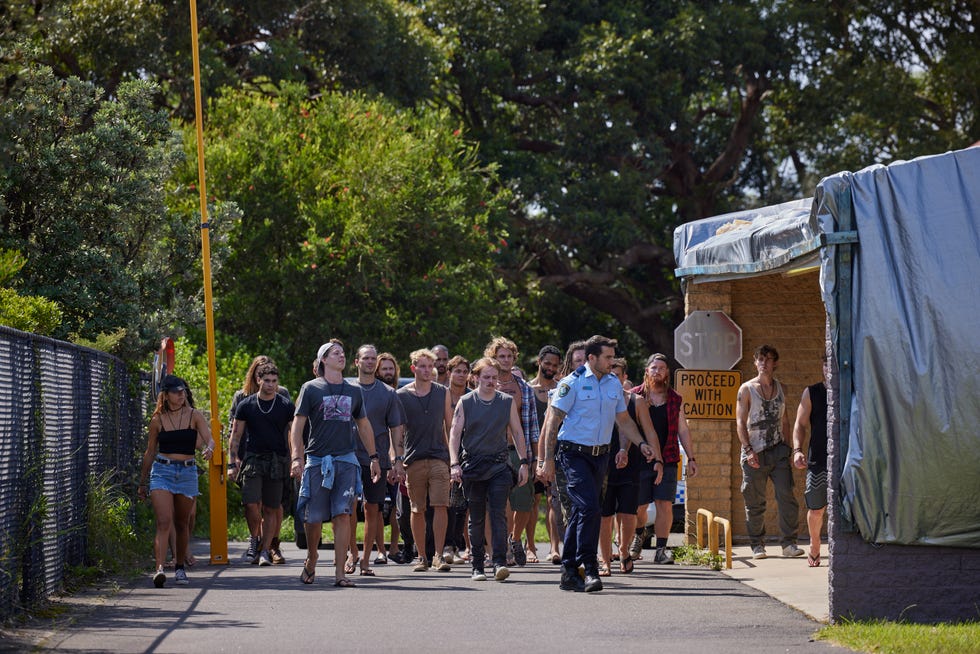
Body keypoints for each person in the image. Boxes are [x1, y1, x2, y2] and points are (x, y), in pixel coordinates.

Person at [537, 335, 658, 593]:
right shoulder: (572, 383)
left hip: (600, 455)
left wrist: (641, 443)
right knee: (591, 508)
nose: (611, 361)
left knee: (584, 511)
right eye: (607, 357)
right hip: (573, 454)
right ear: (592, 358)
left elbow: (623, 420)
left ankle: (569, 571)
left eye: (613, 357)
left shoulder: (613, 384)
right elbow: (553, 422)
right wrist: (546, 460)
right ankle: (590, 568)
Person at [289, 340, 381, 587]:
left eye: (342, 352)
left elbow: (363, 425)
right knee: (313, 517)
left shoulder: (354, 391)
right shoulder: (311, 389)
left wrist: (374, 458)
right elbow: (297, 426)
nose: (341, 356)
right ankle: (312, 557)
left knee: (343, 514)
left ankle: (340, 573)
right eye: (335, 353)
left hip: (346, 461)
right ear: (323, 360)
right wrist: (296, 458)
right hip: (318, 460)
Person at [449, 357, 530, 582]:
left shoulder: (506, 401)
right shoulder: (466, 401)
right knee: (476, 517)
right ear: (475, 378)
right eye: (486, 377)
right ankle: (477, 565)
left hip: (499, 465)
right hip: (473, 466)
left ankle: (499, 563)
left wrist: (524, 462)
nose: (491, 381)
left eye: (494, 378)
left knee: (498, 514)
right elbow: (454, 435)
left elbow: (517, 432)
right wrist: (454, 464)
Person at [138, 375, 215, 588]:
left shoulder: (194, 415)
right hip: (162, 471)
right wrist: (142, 482)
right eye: (176, 392)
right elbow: (150, 451)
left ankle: (180, 566)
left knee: (183, 523)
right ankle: (160, 569)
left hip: (187, 473)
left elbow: (209, 439)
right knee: (164, 521)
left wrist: (209, 449)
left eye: (183, 391)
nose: (181, 395)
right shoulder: (157, 420)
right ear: (166, 395)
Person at [736, 344, 803, 560]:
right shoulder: (746, 389)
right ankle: (757, 544)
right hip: (754, 451)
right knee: (755, 501)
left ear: (775, 363)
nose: (764, 363)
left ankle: (789, 544)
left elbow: (785, 419)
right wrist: (748, 450)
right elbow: (740, 422)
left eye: (768, 359)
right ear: (755, 362)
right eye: (760, 359)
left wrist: (788, 448)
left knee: (787, 496)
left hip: (778, 451)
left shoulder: (781, 388)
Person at [630, 353, 698, 564]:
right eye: (654, 367)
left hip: (668, 458)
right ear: (647, 371)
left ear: (667, 372)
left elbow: (683, 430)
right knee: (639, 507)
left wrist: (692, 457)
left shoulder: (675, 399)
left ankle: (661, 549)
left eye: (661, 368)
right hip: (640, 460)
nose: (657, 371)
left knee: (664, 504)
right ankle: (639, 534)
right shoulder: (634, 396)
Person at [599, 358, 664, 575]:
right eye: (609, 376)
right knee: (604, 514)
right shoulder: (599, 399)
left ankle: (624, 551)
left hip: (631, 465)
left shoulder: (636, 401)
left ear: (624, 378)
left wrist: (658, 461)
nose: (613, 380)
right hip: (603, 463)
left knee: (628, 513)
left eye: (617, 376)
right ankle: (605, 559)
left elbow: (650, 431)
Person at [228, 363, 295, 567]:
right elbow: (235, 436)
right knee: (250, 503)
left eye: (274, 381)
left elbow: (293, 435)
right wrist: (232, 462)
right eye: (267, 381)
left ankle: (265, 551)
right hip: (253, 459)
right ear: (258, 380)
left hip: (277, 460)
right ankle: (254, 539)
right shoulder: (246, 404)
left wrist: (295, 461)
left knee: (272, 508)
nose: (271, 385)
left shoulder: (285, 405)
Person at [394, 348, 454, 572]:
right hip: (413, 459)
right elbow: (398, 431)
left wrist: (453, 460)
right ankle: (421, 556)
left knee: (441, 506)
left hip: (439, 457)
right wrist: (397, 461)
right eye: (423, 366)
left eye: (431, 366)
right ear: (414, 368)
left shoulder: (442, 392)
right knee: (417, 509)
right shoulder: (401, 395)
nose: (428, 370)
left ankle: (438, 555)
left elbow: (449, 426)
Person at [348, 344, 405, 576]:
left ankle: (366, 560)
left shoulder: (388, 393)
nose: (370, 362)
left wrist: (397, 460)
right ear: (357, 362)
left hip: (377, 460)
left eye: (373, 359)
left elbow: (396, 429)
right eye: (366, 358)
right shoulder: (346, 388)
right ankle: (351, 552)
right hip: (348, 457)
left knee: (373, 509)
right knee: (348, 508)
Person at [483, 336, 539, 567]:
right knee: (496, 503)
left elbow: (533, 427)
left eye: (509, 356)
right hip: (491, 450)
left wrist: (536, 459)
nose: (505, 360)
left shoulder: (524, 388)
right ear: (493, 358)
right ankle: (499, 549)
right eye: (501, 356)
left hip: (519, 451)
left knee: (525, 502)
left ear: (514, 358)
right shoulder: (485, 386)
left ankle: (515, 539)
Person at [792, 355, 831, 567]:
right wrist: (797, 450)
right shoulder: (812, 392)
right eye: (826, 364)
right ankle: (815, 545)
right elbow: (799, 424)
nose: (828, 368)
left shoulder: (850, 389)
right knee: (816, 508)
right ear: (822, 367)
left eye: (832, 364)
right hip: (818, 458)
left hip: (846, 459)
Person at [528, 344, 563, 564]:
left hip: (557, 452)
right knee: (533, 500)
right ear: (539, 362)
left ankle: (554, 548)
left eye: (555, 365)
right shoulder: (528, 389)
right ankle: (530, 546)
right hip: (532, 452)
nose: (550, 368)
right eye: (547, 363)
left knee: (554, 501)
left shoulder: (562, 389)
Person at [445, 355, 472, 562]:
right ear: (449, 373)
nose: (461, 375)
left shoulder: (473, 397)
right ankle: (443, 545)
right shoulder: (441, 395)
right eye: (458, 371)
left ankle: (454, 545)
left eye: (465, 371)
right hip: (441, 454)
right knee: (444, 503)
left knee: (461, 503)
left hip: (467, 455)